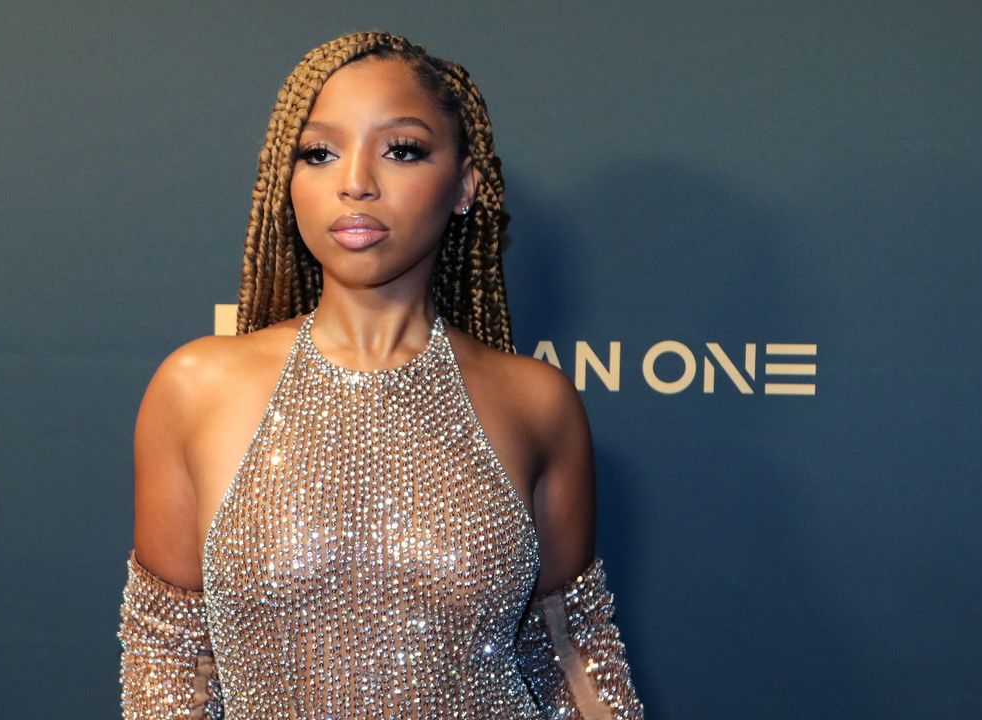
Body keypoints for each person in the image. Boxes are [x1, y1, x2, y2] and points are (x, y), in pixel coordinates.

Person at [117, 30, 644, 720]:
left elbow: (570, 651)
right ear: (287, 179)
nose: (355, 181)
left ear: (463, 186)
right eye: (318, 152)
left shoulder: (534, 400)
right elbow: (168, 654)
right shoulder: (196, 387)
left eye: (402, 149)